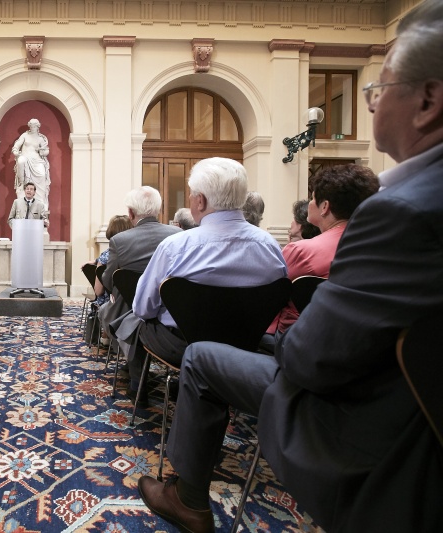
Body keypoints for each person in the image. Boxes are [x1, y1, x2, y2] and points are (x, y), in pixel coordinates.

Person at [137, 2, 443, 531]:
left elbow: (311, 358)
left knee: (203, 356)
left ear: (427, 100)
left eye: (378, 88)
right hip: (406, 407)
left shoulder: (402, 211)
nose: (370, 105)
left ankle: (189, 496)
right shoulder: (269, 250)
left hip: (364, 426)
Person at [130, 158, 286, 405]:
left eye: (191, 196)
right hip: (245, 347)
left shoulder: (175, 247)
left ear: (200, 200)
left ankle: (140, 396)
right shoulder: (270, 247)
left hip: (182, 346)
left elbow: (142, 308)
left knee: (141, 324)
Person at [267, 165, 379, 337]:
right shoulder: (379, 247)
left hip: (300, 337)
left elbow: (268, 295)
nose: (310, 203)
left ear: (325, 206)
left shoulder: (300, 251)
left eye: (312, 198)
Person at [97, 186, 181, 384]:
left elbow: (109, 281)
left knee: (110, 311)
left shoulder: (119, 240)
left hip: (129, 308)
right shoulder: (178, 235)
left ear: (131, 213)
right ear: (158, 210)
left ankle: (135, 376)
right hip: (170, 309)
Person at [92, 215, 134, 308]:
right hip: (134, 304)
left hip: (111, 307)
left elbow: (98, 291)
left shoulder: (104, 257)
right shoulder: (136, 254)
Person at [11, 118, 51, 210]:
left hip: (37, 161)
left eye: (34, 126)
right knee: (21, 160)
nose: (32, 127)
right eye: (31, 126)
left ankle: (40, 203)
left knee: (42, 175)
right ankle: (21, 184)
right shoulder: (25, 135)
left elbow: (46, 151)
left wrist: (43, 152)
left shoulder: (41, 139)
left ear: (38, 127)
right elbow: (17, 145)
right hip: (25, 158)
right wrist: (16, 151)